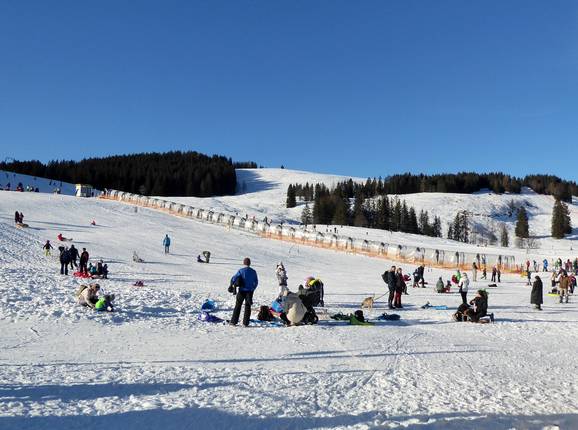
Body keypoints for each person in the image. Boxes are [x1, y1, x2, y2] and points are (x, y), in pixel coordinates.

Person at [229, 257, 259, 326]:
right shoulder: (253, 271)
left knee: (238, 305)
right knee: (248, 306)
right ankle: (245, 323)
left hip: (242, 291)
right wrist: (253, 288)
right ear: (250, 263)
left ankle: (233, 321)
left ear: (244, 263)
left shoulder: (241, 271)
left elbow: (234, 278)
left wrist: (231, 284)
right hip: (250, 291)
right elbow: (256, 282)